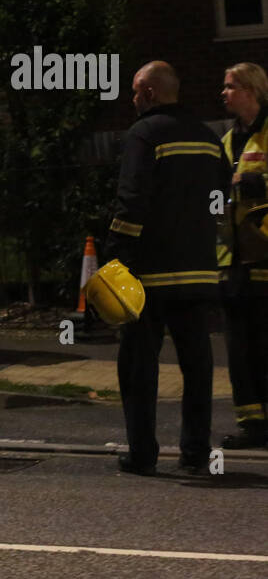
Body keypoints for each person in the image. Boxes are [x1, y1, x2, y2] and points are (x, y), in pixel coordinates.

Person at [104, 61, 223, 476]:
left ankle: (142, 454)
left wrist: (118, 257)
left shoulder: (145, 134)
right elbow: (219, 202)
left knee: (138, 365)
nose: (132, 99)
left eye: (136, 92)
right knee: (198, 366)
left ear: (149, 93)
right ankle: (195, 453)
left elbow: (132, 199)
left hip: (150, 275)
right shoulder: (210, 139)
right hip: (199, 272)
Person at [216, 62, 268, 449]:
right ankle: (253, 424)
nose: (224, 92)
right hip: (234, 261)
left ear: (251, 90)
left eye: (231, 86)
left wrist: (255, 182)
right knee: (240, 347)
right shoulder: (228, 141)